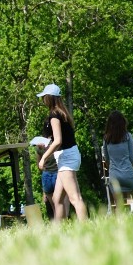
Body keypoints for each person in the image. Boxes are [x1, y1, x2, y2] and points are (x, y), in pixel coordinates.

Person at [36, 84, 88, 221]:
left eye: (44, 97)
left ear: (49, 98)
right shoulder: (62, 113)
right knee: (57, 198)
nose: (42, 100)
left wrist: (43, 158)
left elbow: (58, 141)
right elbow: (59, 138)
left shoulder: (54, 115)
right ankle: (58, 230)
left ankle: (86, 227)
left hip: (67, 157)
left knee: (75, 198)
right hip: (68, 156)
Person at [102, 110, 133, 211]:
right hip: (128, 173)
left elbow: (106, 159)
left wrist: (112, 170)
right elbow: (132, 157)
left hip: (114, 176)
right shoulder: (128, 136)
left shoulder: (106, 139)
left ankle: (121, 225)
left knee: (119, 206)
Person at [32, 139, 69, 219]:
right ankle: (62, 223)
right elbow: (39, 165)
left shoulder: (44, 146)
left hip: (52, 174)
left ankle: (61, 223)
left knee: (57, 204)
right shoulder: (41, 148)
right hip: (53, 174)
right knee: (58, 204)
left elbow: (39, 165)